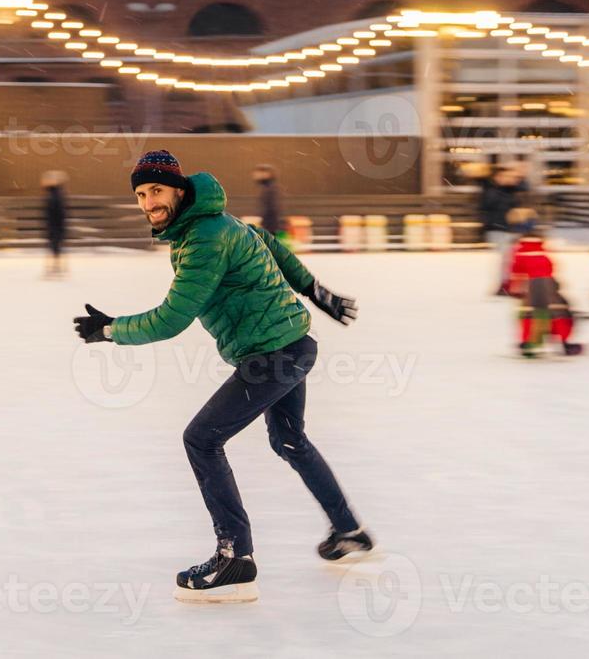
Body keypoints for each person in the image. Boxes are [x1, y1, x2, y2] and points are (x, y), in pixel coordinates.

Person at [73, 150, 369, 603]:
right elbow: (268, 240)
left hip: (272, 355)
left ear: (179, 189)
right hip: (291, 344)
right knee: (288, 438)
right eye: (141, 193)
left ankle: (236, 557)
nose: (148, 201)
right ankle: (349, 530)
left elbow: (172, 319)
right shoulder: (213, 221)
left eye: (156, 190)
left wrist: (111, 330)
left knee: (202, 439)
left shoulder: (204, 238)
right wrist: (312, 290)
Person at [507, 212, 581, 358]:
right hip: (547, 282)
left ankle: (529, 342)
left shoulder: (520, 249)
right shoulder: (540, 247)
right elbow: (550, 265)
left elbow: (516, 269)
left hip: (530, 284)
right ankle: (564, 341)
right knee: (558, 311)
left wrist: (513, 287)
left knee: (530, 313)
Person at [478, 165, 524, 295]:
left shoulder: (510, 191)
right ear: (498, 178)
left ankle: (508, 285)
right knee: (506, 259)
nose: (511, 179)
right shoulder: (493, 192)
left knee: (510, 259)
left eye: (512, 177)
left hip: (508, 230)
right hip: (498, 229)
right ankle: (503, 285)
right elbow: (487, 209)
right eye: (507, 177)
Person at [41, 170, 68, 278]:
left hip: (54, 226)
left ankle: (55, 268)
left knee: (55, 248)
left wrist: (53, 227)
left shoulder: (53, 196)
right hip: (56, 226)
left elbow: (55, 213)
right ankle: (56, 268)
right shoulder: (57, 195)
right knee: (55, 248)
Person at [252, 164, 283, 239]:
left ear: (266, 174)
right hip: (269, 227)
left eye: (258, 173)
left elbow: (272, 209)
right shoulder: (267, 188)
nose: (255, 175)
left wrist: (264, 225)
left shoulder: (270, 189)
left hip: (270, 227)